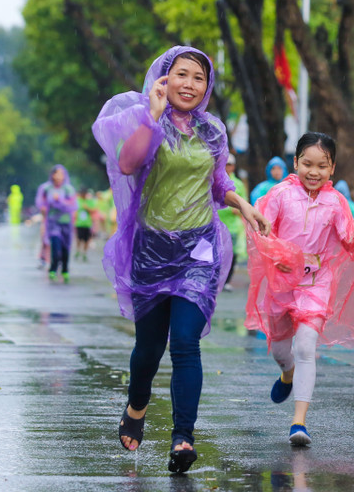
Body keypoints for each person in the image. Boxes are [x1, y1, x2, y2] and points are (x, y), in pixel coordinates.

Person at [92, 45, 269, 473]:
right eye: (182, 75)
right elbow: (129, 163)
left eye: (199, 78)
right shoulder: (146, 119)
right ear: (164, 79)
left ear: (207, 87)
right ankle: (136, 406)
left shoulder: (212, 131)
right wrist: (150, 116)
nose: (189, 84)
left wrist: (241, 204)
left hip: (198, 251)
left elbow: (217, 181)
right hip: (150, 250)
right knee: (149, 348)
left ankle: (183, 437)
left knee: (186, 343)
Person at [246, 132, 354, 446]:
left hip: (316, 284)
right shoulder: (279, 195)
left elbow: (349, 241)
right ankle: (287, 372)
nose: (314, 172)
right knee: (281, 349)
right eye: (307, 163)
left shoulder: (336, 203)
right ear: (296, 162)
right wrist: (277, 256)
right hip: (281, 283)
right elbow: (261, 229)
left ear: (332, 168)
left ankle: (299, 422)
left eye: (322, 165)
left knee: (306, 345)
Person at [36, 165, 78, 282]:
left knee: (65, 249)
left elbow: (73, 205)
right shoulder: (46, 188)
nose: (59, 176)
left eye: (61, 174)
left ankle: (65, 270)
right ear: (52, 175)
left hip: (66, 223)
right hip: (52, 223)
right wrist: (44, 208)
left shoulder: (68, 189)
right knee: (56, 246)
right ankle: (53, 269)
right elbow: (41, 203)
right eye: (57, 174)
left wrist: (59, 200)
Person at [217, 153, 248, 291]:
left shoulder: (239, 184)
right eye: (225, 164)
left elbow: (244, 204)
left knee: (233, 253)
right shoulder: (215, 181)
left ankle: (227, 280)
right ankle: (218, 279)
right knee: (218, 253)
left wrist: (239, 210)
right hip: (219, 224)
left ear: (234, 166)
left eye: (229, 164)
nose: (227, 167)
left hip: (234, 227)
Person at [75, 188, 96, 262]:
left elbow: (93, 210)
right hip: (79, 223)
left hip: (87, 224)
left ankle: (84, 253)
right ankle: (78, 251)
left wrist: (87, 207)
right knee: (78, 238)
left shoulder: (89, 201)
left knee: (86, 239)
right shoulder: (77, 201)